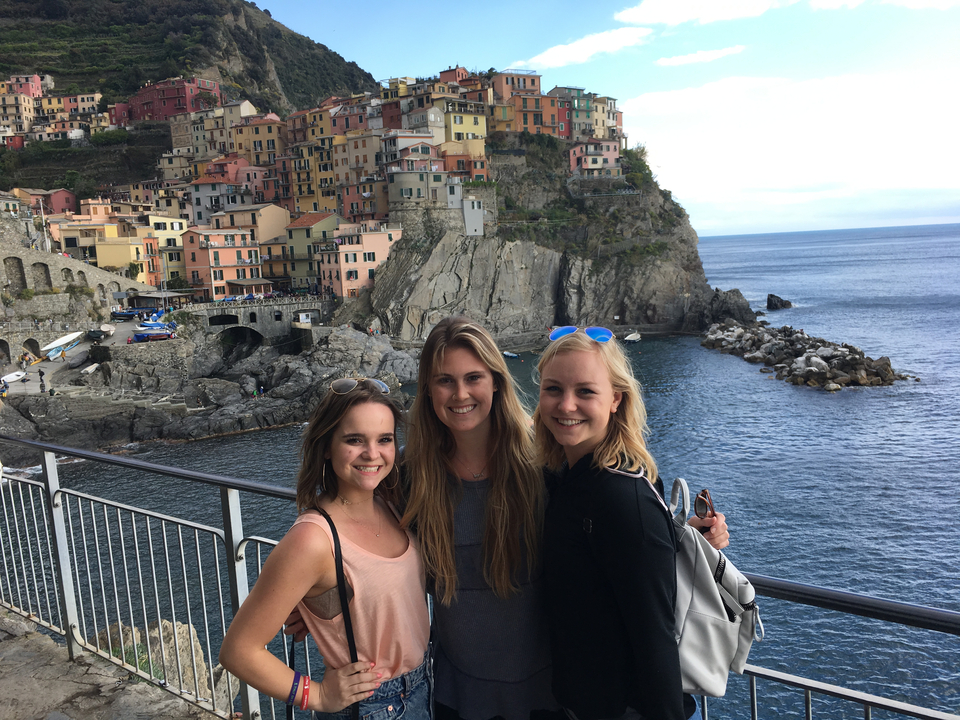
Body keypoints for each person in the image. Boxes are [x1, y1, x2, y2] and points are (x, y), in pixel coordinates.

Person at [220, 378, 431, 719]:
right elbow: (238, 651)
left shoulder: (391, 506)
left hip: (423, 687)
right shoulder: (313, 539)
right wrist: (317, 694)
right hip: (372, 706)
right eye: (354, 440)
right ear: (326, 446)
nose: (372, 453)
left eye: (385, 439)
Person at [533, 327, 701, 720]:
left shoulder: (620, 498)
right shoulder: (565, 477)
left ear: (615, 400)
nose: (566, 405)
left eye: (586, 392)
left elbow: (655, 639)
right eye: (553, 389)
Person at [402, 317, 553, 720]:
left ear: (497, 382)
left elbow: (606, 509)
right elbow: (363, 541)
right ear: (427, 389)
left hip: (550, 693)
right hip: (457, 696)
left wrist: (682, 538)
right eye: (444, 381)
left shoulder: (542, 461)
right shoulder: (411, 476)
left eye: (474, 378)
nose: (460, 394)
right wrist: (319, 598)